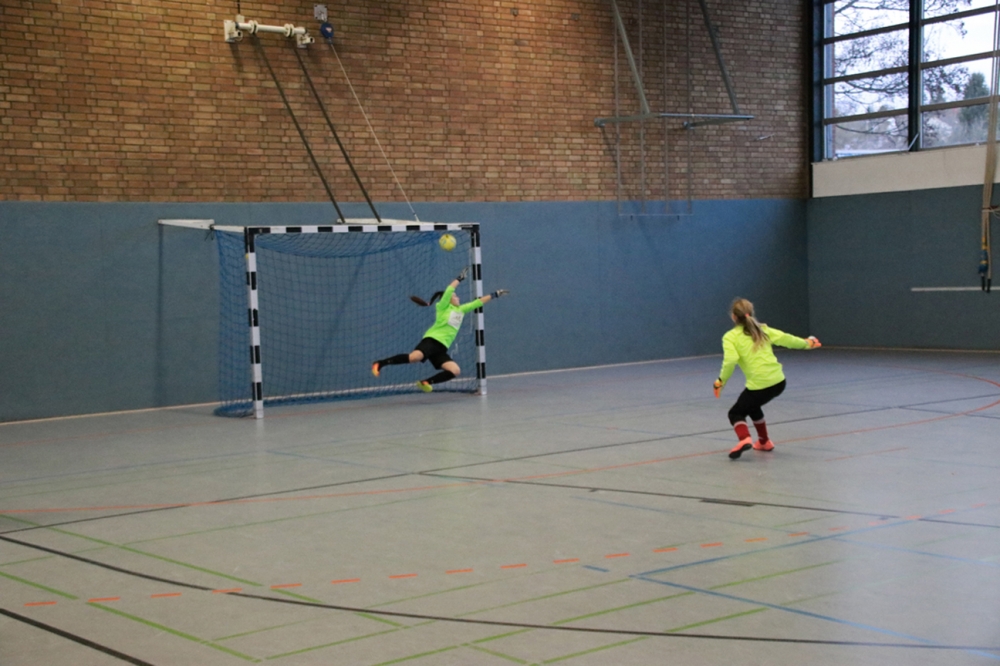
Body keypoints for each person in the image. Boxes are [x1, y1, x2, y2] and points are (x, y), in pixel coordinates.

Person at [713, 298, 821, 460]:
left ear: (733, 316)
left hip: (760, 385)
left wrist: (720, 382)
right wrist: (807, 343)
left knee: (736, 413)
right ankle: (764, 442)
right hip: (779, 382)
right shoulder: (763, 329)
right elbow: (787, 339)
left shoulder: (730, 337)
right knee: (752, 406)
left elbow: (730, 361)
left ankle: (744, 439)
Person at [371, 267, 508, 392]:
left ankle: (425, 382)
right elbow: (449, 290)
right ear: (448, 300)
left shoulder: (461, 310)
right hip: (432, 340)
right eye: (455, 296)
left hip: (442, 348)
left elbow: (478, 302)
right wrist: (459, 278)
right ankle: (380, 363)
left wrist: (495, 294)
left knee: (455, 370)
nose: (458, 297)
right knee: (415, 357)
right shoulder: (442, 307)